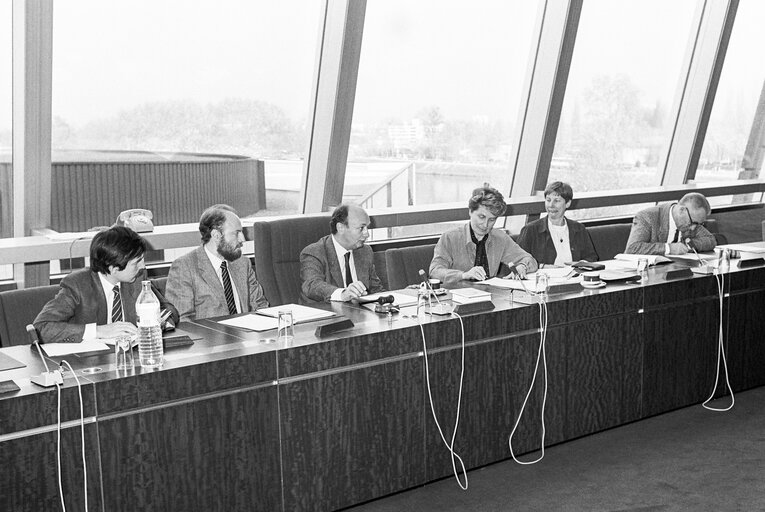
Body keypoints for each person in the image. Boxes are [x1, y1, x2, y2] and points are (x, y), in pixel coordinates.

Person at [34, 226, 179, 343]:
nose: (143, 266)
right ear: (113, 268)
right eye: (136, 263)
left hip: (132, 357)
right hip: (89, 365)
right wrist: (99, 331)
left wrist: (159, 321)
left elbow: (170, 310)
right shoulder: (77, 285)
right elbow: (41, 328)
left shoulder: (138, 278)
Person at [166, 204, 268, 321]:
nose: (242, 239)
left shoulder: (243, 263)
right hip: (208, 338)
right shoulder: (184, 267)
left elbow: (260, 306)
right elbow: (183, 322)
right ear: (216, 235)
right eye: (236, 233)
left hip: (246, 336)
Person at [429, 185, 537, 284]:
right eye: (481, 217)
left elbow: (530, 261)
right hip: (456, 298)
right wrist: (463, 275)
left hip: (491, 298)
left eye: (492, 220)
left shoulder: (500, 238)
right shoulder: (450, 238)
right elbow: (435, 271)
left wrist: (522, 267)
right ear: (470, 211)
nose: (485, 225)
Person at [300, 204, 384, 304]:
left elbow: (375, 290)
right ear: (340, 228)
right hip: (327, 315)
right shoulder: (314, 252)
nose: (367, 234)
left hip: (358, 315)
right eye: (361, 228)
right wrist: (343, 294)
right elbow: (312, 285)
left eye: (367, 227)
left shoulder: (365, 251)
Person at [517, 181, 598, 267]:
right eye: (548, 200)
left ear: (567, 203)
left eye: (557, 201)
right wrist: (542, 267)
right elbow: (518, 260)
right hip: (543, 278)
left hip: (574, 277)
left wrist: (580, 264)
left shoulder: (579, 229)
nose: (551, 205)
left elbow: (591, 258)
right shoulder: (530, 230)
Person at [625, 192, 717, 255]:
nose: (693, 228)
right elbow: (632, 248)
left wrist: (687, 246)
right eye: (693, 223)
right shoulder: (647, 217)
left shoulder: (692, 220)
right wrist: (669, 248)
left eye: (698, 224)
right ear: (681, 210)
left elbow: (710, 240)